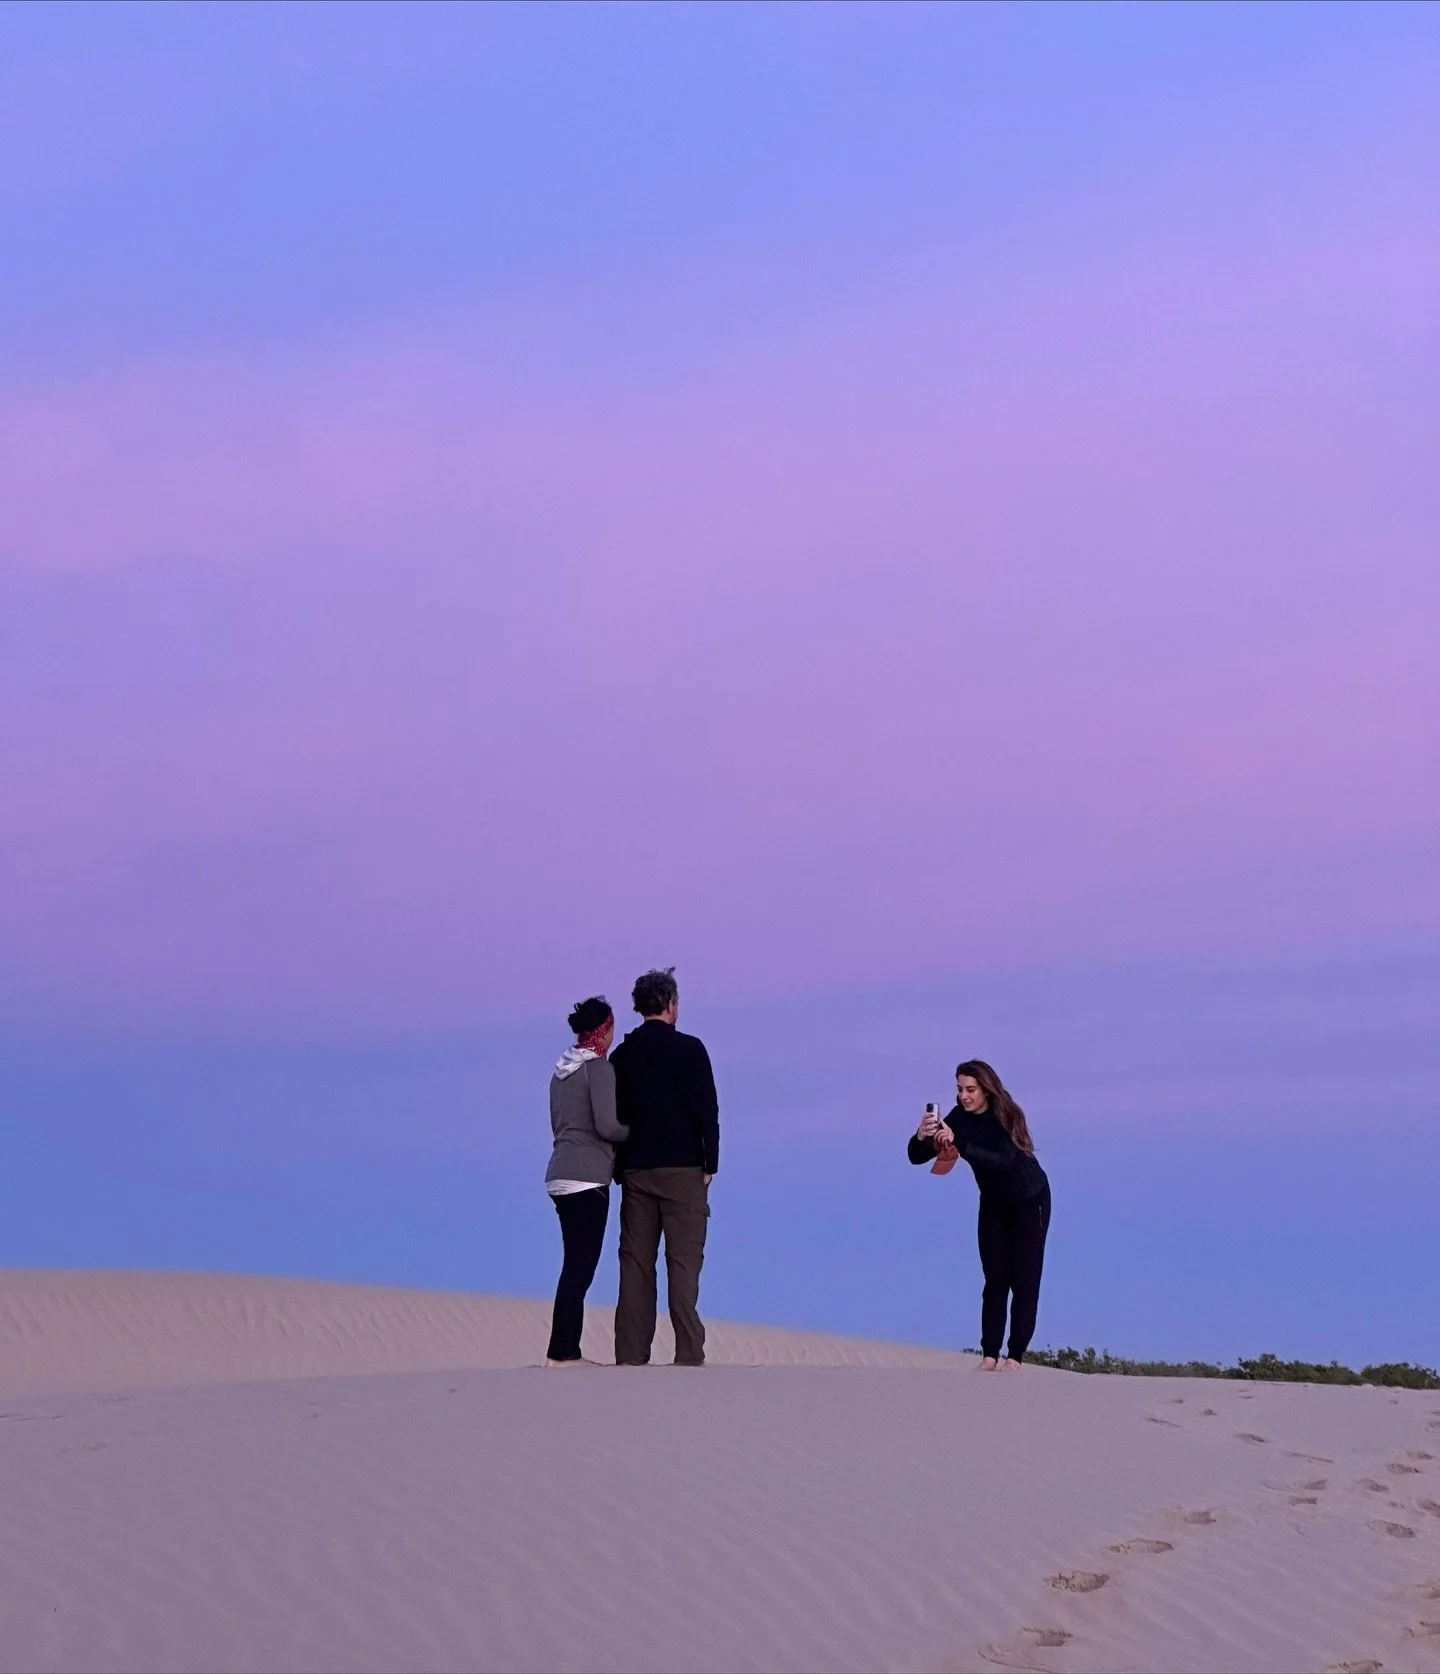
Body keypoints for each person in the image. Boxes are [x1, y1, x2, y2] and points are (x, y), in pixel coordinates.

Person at [908, 1059, 1051, 1371]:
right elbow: (916, 1157)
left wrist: (960, 1142)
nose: (964, 1096)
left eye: (970, 1090)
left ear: (986, 1089)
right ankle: (989, 1355)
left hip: (1030, 1201)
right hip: (994, 1205)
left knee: (1024, 1280)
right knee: (995, 1279)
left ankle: (1014, 1358)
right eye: (960, 1089)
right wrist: (921, 1136)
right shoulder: (959, 1117)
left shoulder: (1007, 1115)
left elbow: (1002, 1161)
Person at [610, 967, 720, 1367]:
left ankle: (630, 1355)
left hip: (637, 1170)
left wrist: (620, 1167)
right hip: (684, 1170)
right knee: (683, 1265)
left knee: (636, 1266)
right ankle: (688, 1353)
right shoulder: (691, 1050)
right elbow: (708, 1110)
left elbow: (615, 1115)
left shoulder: (622, 1056)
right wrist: (710, 1163)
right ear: (671, 1004)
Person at [543, 996, 628, 1365]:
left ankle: (565, 1349)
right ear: (603, 1030)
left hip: (560, 1173)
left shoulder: (561, 1071)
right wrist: (634, 1132)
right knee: (580, 1268)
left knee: (573, 1265)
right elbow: (607, 1126)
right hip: (586, 1179)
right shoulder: (598, 1070)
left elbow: (559, 1124)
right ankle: (563, 1352)